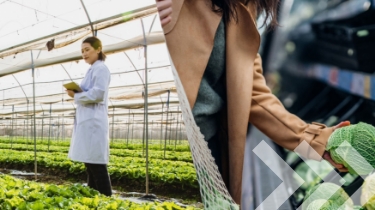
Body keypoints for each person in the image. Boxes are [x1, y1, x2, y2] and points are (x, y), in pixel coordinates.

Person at [157, 0, 349, 205]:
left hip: (208, 151)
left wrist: (316, 143)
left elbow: (253, 94)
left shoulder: (245, 6)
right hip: (166, 143)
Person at [66, 36, 112, 196]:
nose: (84, 54)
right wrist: (78, 91)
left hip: (94, 123)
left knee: (96, 165)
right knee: (90, 164)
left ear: (98, 49)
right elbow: (91, 92)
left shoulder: (101, 69)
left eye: (87, 50)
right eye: (82, 51)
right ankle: (94, 199)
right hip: (88, 123)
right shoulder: (92, 69)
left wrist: (76, 96)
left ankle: (107, 199)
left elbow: (99, 93)